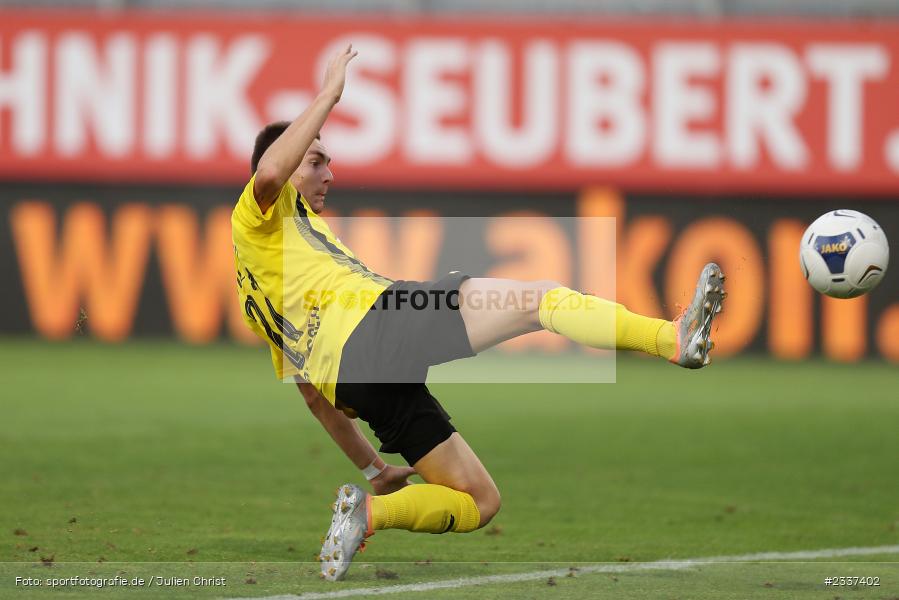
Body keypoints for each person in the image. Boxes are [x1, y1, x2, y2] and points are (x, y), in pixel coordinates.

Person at [231, 45, 726, 582]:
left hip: (358, 383)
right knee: (539, 299)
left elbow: (311, 394)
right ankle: (671, 339)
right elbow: (268, 176)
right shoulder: (257, 214)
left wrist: (374, 471)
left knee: (479, 500)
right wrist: (330, 94)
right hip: (381, 322)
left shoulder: (259, 286)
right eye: (316, 160)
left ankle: (369, 515)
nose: (330, 172)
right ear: (281, 160)